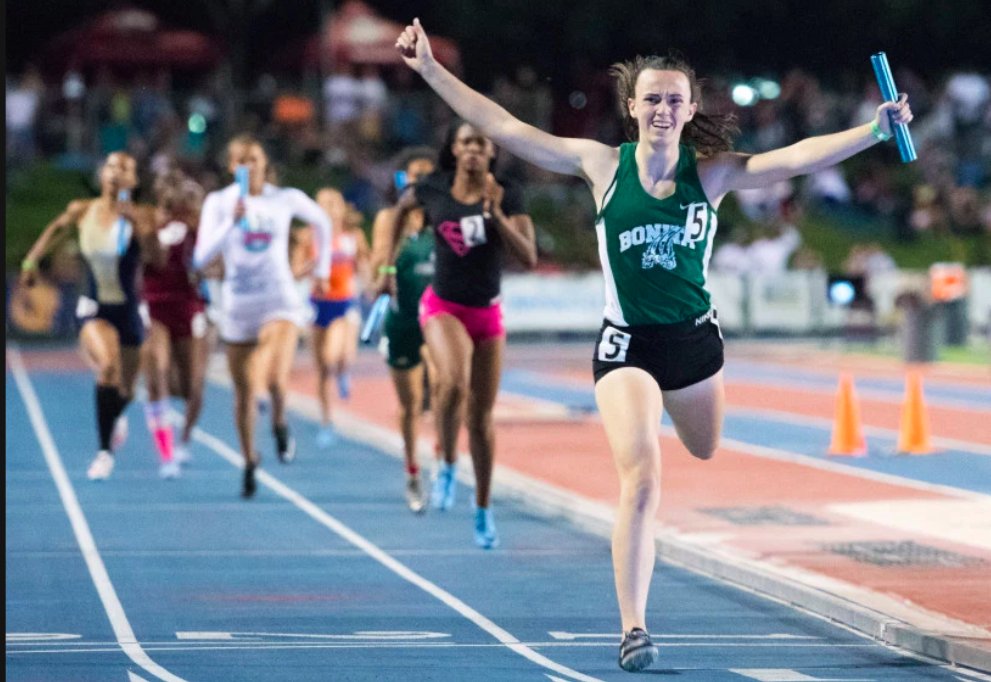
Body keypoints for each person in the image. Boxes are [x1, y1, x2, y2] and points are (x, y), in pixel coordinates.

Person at [395, 18, 913, 672]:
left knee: (703, 446)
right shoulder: (602, 165)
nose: (663, 109)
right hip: (625, 348)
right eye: (652, 98)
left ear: (690, 108)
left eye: (674, 99)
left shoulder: (715, 175)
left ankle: (677, 422)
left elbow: (795, 157)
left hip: (694, 344)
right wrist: (429, 70)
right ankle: (633, 626)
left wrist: (873, 127)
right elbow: (505, 129)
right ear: (631, 107)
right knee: (641, 478)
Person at [380, 118, 537, 548]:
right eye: (465, 142)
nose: (472, 149)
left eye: (480, 143)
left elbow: (528, 257)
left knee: (482, 419)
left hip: (487, 314)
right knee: (451, 382)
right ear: (453, 149)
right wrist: (387, 267)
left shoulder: (508, 191)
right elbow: (398, 211)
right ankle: (447, 464)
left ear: (491, 151)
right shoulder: (433, 188)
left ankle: (483, 509)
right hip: (442, 306)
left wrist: (496, 215)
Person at [193, 134, 332, 498]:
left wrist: (323, 269)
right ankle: (250, 458)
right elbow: (200, 256)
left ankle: (281, 421)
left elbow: (323, 221)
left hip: (280, 301)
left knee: (271, 377)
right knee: (243, 392)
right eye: (240, 160)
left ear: (264, 164)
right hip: (239, 306)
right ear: (230, 167)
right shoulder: (219, 202)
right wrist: (229, 222)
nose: (247, 166)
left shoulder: (284, 199)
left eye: (253, 159)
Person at [19, 152, 160, 480]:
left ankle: (116, 415)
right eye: (110, 166)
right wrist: (30, 262)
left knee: (127, 390)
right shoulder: (82, 210)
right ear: (102, 173)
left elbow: (156, 259)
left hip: (129, 313)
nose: (115, 173)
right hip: (95, 308)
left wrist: (138, 226)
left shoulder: (144, 216)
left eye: (124, 168)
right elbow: (55, 230)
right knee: (107, 366)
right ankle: (104, 453)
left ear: (134, 181)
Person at [369, 146, 439, 513]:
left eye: (427, 177)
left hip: (441, 318)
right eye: (413, 177)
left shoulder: (446, 218)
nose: (419, 184)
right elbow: (378, 266)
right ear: (403, 183)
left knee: (446, 383)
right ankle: (414, 472)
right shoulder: (388, 220)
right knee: (410, 405)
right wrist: (383, 275)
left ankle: (443, 459)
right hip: (402, 320)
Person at [140, 170, 210, 478]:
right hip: (156, 306)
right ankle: (166, 454)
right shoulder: (149, 227)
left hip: (190, 308)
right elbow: (150, 261)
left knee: (193, 386)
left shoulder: (200, 231)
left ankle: (184, 440)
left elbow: (214, 262)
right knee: (160, 369)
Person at [301, 189, 371, 448]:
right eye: (323, 205)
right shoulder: (309, 237)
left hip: (344, 304)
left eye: (333, 204)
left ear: (342, 209)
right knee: (321, 370)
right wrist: (311, 266)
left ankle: (343, 371)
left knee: (335, 356)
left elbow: (364, 265)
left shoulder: (353, 237)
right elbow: (296, 271)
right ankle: (327, 421)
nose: (329, 210)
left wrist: (370, 285)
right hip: (318, 304)